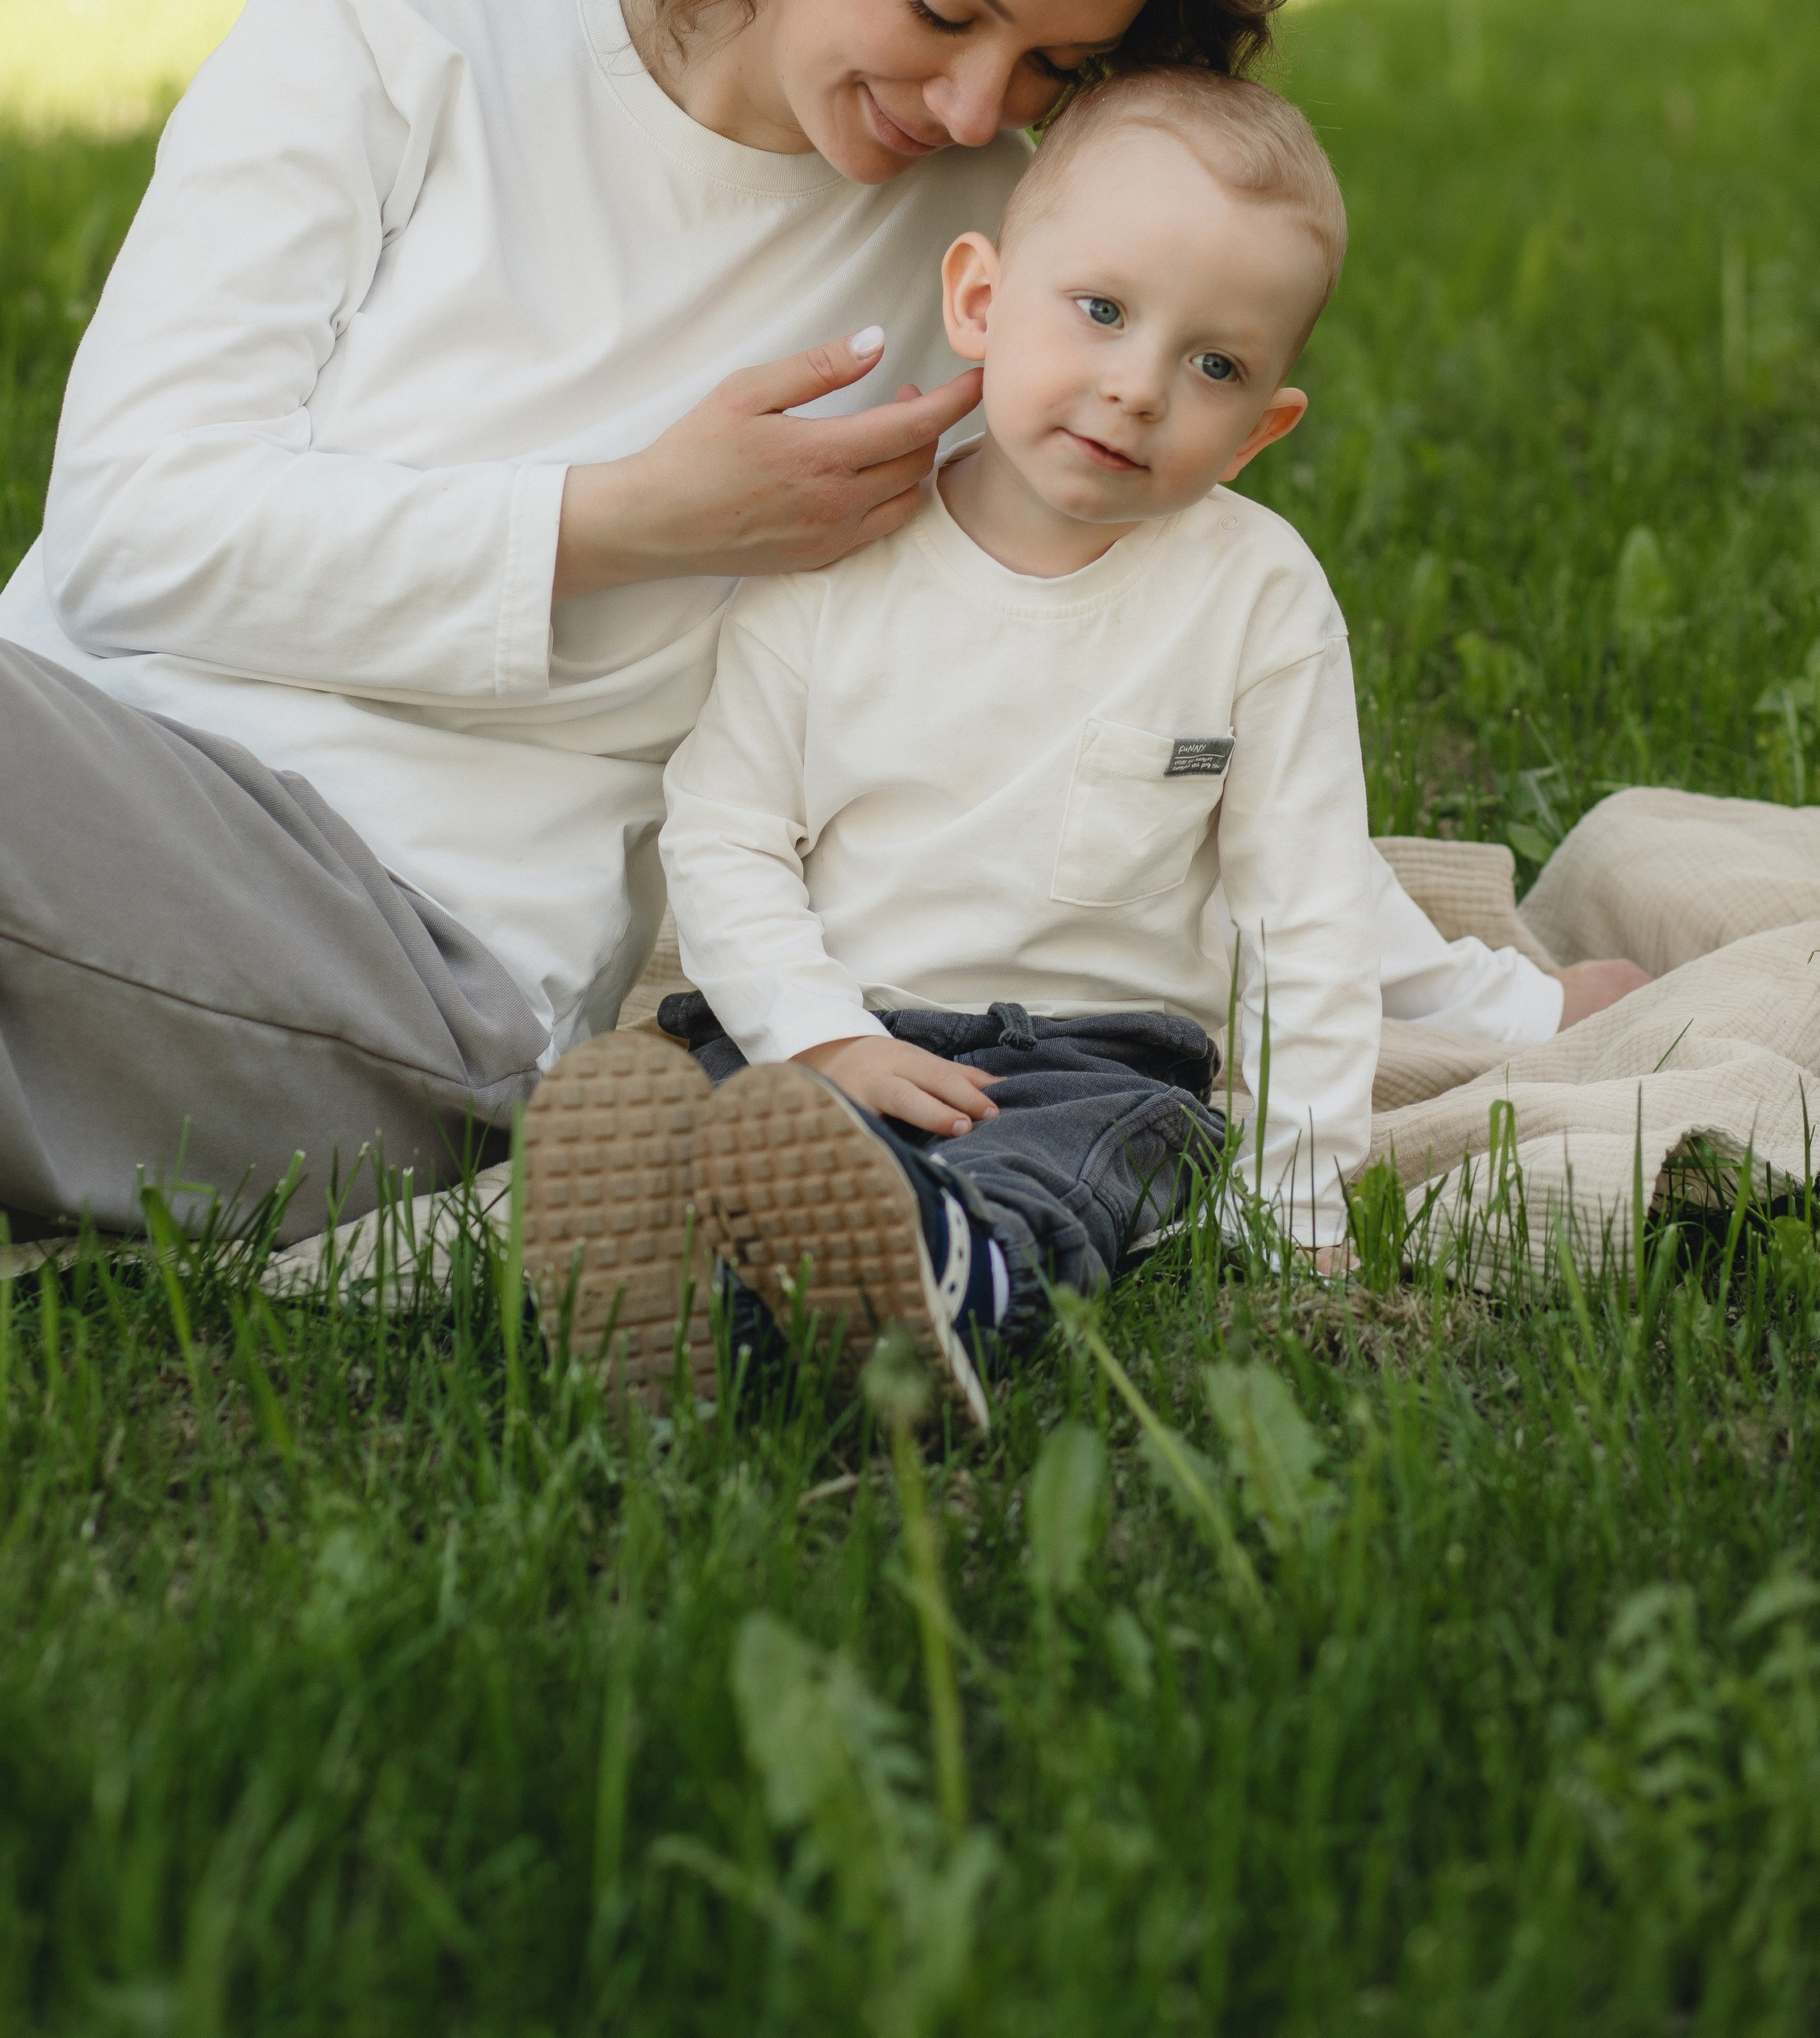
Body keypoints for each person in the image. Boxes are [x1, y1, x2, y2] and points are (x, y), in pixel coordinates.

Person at [0, 0, 1648, 1248]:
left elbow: (1159, 709)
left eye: (1050, 69)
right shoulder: (389, 26)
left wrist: (1494, 1007)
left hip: (397, 953)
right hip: (34, 769)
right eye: (942, 8)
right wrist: (630, 517)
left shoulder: (1010, 286)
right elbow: (128, 540)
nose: (973, 108)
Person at [526, 70, 1381, 1420]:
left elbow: (1309, 915)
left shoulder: (1257, 598)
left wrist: (1299, 1196)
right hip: (824, 1025)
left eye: (1215, 366)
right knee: (706, 1098)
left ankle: (948, 1268)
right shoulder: (839, 549)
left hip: (1087, 1060)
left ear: (1260, 428)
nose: (1137, 388)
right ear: (980, 298)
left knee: (1065, 1168)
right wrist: (823, 1038)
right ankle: (698, 1279)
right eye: (1102, 310)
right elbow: (730, 832)